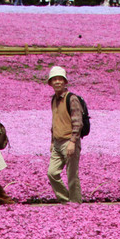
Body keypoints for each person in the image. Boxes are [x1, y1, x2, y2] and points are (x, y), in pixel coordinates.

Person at [47, 66, 83, 204]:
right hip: (57, 142)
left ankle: (75, 203)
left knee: (72, 175)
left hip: (69, 141)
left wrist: (73, 141)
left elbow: (78, 122)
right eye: (54, 79)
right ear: (50, 83)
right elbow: (55, 121)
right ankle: (65, 200)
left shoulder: (71, 99)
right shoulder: (54, 100)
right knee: (52, 173)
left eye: (60, 79)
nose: (57, 82)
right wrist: (52, 141)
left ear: (65, 82)